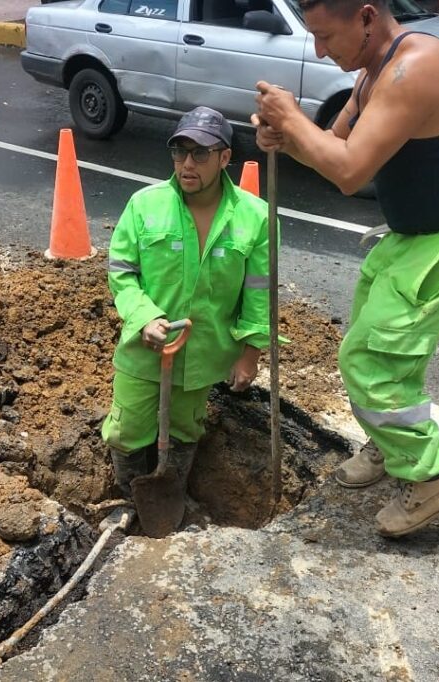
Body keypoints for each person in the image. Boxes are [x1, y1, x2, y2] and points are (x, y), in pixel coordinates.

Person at [252, 0, 439, 537]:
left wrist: (293, 121)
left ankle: (432, 481)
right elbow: (332, 146)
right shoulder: (374, 70)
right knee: (373, 332)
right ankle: (389, 440)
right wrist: (286, 134)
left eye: (327, 36)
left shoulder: (414, 67)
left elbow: (349, 172)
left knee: (373, 355)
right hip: (420, 231)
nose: (320, 50)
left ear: (368, 18)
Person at [102, 106, 273, 526]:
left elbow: (259, 294)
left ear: (224, 157)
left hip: (203, 355)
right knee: (127, 432)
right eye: (179, 153)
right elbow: (122, 272)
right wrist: (144, 317)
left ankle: (171, 493)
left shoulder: (256, 217)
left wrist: (250, 354)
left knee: (184, 431)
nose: (187, 164)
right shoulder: (145, 205)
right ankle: (130, 500)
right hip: (145, 351)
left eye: (200, 154)